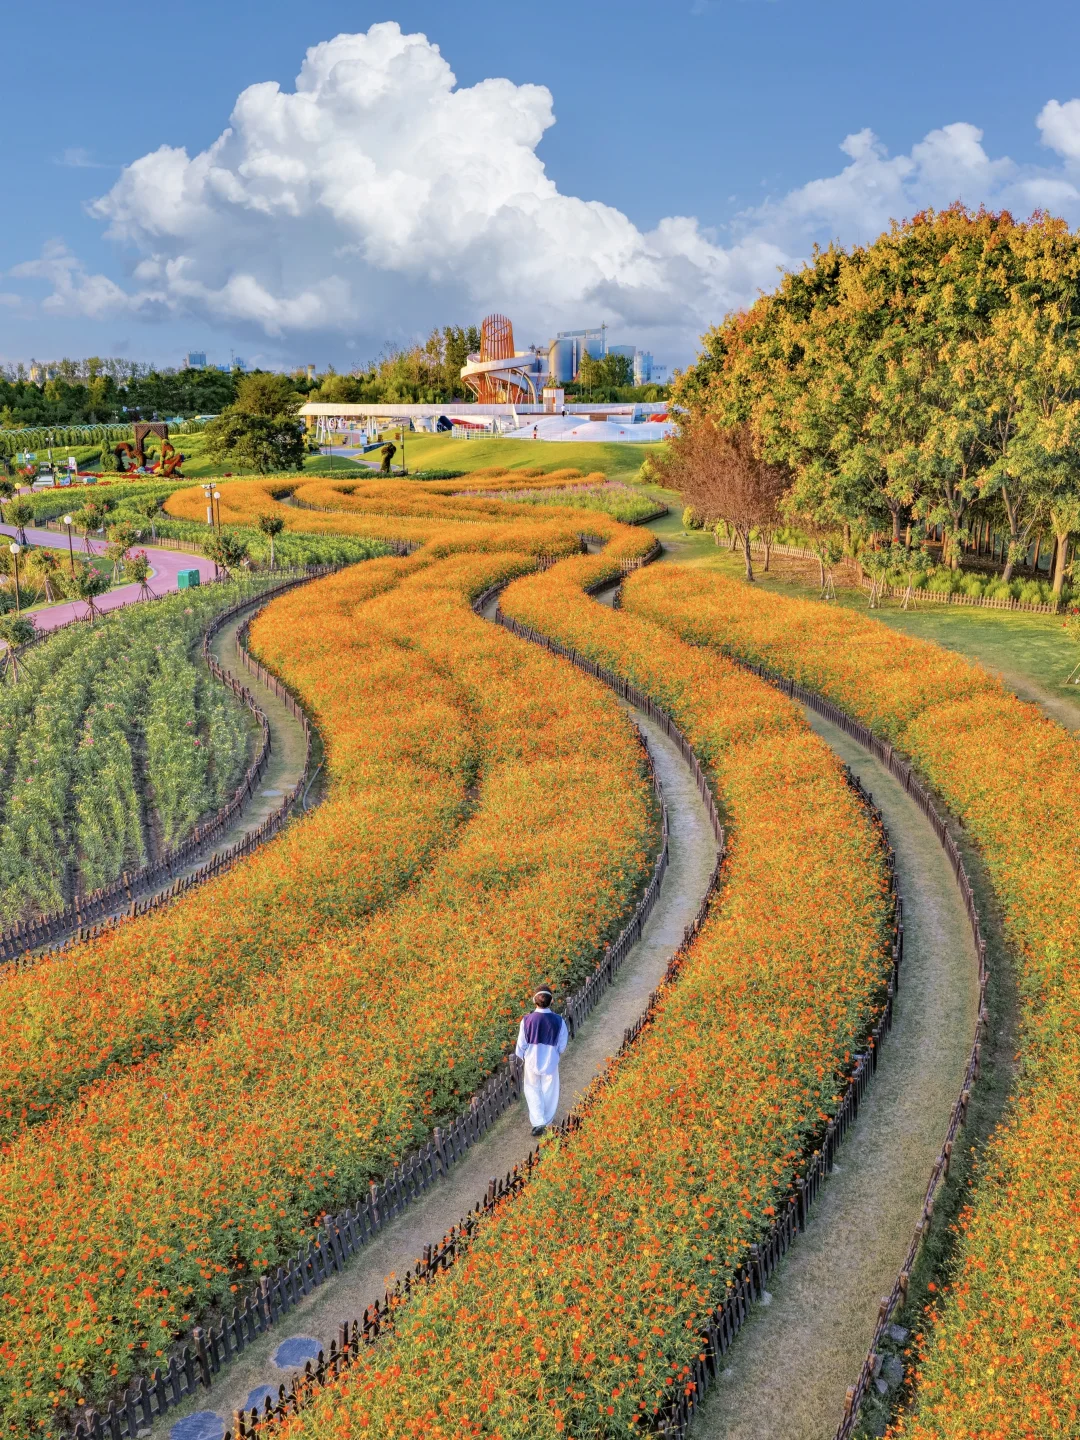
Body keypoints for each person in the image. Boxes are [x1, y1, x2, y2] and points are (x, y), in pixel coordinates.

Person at [515, 986, 569, 1135]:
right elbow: (562, 1044)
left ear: (534, 1001)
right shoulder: (559, 1020)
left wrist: (523, 1055)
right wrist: (556, 1053)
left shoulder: (527, 1020)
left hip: (531, 1060)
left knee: (532, 1089)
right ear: (551, 1001)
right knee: (550, 1090)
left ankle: (538, 1121)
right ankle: (547, 1120)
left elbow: (521, 1044)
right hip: (551, 1061)